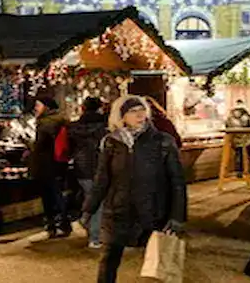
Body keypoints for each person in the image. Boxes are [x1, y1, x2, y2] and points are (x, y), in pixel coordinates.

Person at [83, 96, 187, 283]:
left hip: (153, 211)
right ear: (122, 117)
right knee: (108, 260)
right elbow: (102, 180)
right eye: (132, 111)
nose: (139, 114)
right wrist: (88, 210)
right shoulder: (111, 142)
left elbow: (177, 182)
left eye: (142, 110)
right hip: (118, 211)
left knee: (156, 266)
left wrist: (177, 216)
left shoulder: (163, 141)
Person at [67, 96, 109, 248]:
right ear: (99, 108)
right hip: (99, 167)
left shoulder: (74, 127)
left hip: (81, 167)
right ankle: (94, 236)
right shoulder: (105, 127)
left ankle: (84, 222)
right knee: (98, 202)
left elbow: (70, 149)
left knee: (90, 197)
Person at [29, 96, 71, 237]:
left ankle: (53, 223)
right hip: (59, 162)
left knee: (49, 195)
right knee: (58, 193)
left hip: (46, 164)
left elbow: (40, 145)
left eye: (38, 105)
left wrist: (29, 145)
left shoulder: (45, 123)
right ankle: (62, 223)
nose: (36, 108)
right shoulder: (62, 120)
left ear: (46, 107)